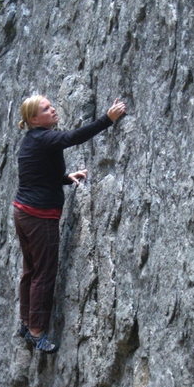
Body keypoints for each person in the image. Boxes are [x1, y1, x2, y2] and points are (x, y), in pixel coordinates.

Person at [13, 94, 126, 353]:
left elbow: (36, 174)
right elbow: (71, 138)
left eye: (51, 106)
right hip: (40, 217)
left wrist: (65, 178)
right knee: (43, 273)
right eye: (45, 109)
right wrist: (107, 120)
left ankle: (26, 321)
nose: (52, 110)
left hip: (24, 211)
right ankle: (36, 331)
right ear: (33, 119)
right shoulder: (43, 138)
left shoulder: (34, 140)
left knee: (30, 270)